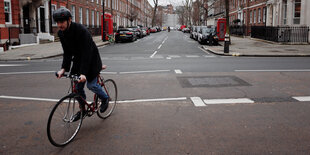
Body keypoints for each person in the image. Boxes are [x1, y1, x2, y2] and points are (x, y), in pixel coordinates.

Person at [53, 7, 109, 121]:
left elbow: (87, 53)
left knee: (91, 85)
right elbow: (67, 53)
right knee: (77, 88)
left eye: (61, 22)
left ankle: (105, 98)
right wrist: (63, 69)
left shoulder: (81, 31)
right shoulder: (61, 33)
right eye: (57, 22)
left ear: (69, 20)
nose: (59, 25)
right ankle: (83, 109)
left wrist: (83, 73)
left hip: (92, 59)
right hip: (79, 61)